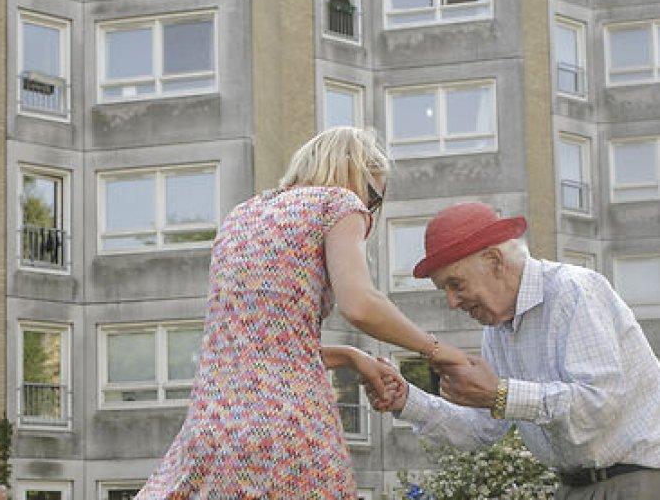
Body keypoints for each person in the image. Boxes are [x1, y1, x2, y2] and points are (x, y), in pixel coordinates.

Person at [135, 127, 467, 499]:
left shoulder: (241, 216)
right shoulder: (338, 204)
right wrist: (436, 350)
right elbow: (360, 304)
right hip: (288, 430)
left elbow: (257, 347)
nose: (370, 210)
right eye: (373, 196)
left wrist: (350, 356)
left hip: (211, 428)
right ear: (353, 175)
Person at [367, 202, 660, 500]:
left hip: (637, 482)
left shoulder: (573, 290)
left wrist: (501, 394)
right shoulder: (496, 330)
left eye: (456, 284)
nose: (452, 302)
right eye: (445, 290)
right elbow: (482, 429)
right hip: (574, 487)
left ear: (494, 260)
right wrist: (407, 400)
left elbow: (599, 404)